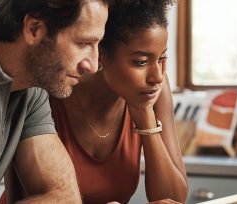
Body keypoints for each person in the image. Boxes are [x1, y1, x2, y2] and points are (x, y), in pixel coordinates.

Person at [0, 0, 110, 203]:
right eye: (84, 43)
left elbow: (65, 197)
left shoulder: (30, 90)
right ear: (34, 29)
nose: (92, 65)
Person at [50, 0, 188, 203]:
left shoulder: (152, 89)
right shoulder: (54, 90)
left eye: (161, 58)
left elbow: (174, 199)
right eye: (141, 62)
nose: (157, 76)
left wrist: (145, 116)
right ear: (101, 54)